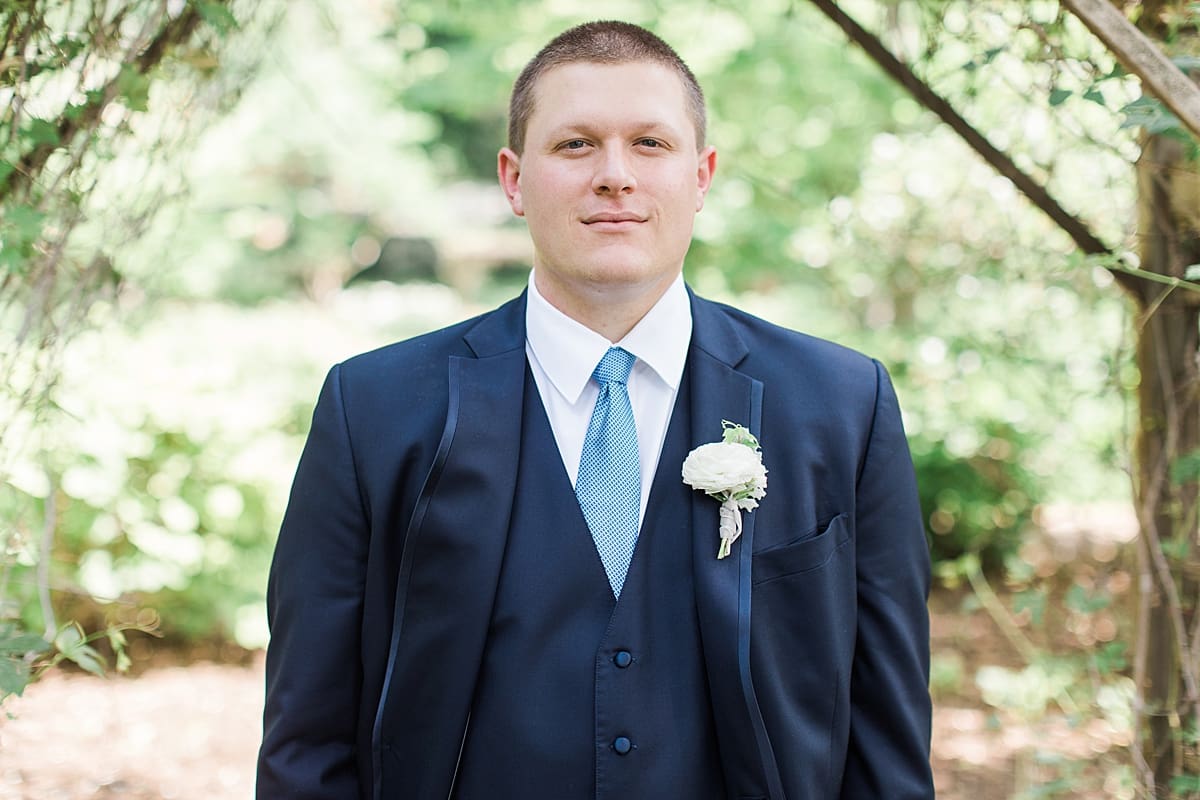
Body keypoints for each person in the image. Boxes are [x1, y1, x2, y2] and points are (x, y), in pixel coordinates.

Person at [257, 20, 933, 800]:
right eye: (575, 145)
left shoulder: (842, 406)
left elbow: (888, 741)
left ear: (702, 176)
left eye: (650, 144)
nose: (615, 175)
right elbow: (306, 740)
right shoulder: (370, 410)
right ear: (514, 179)